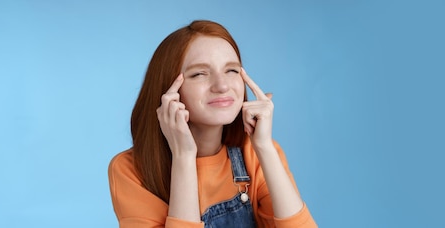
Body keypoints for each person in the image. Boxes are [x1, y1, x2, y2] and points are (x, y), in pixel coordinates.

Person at [108, 20, 317, 227]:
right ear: (168, 90)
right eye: (199, 74)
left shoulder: (256, 154)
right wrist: (183, 157)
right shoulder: (131, 170)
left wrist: (264, 147)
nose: (222, 85)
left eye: (232, 70)